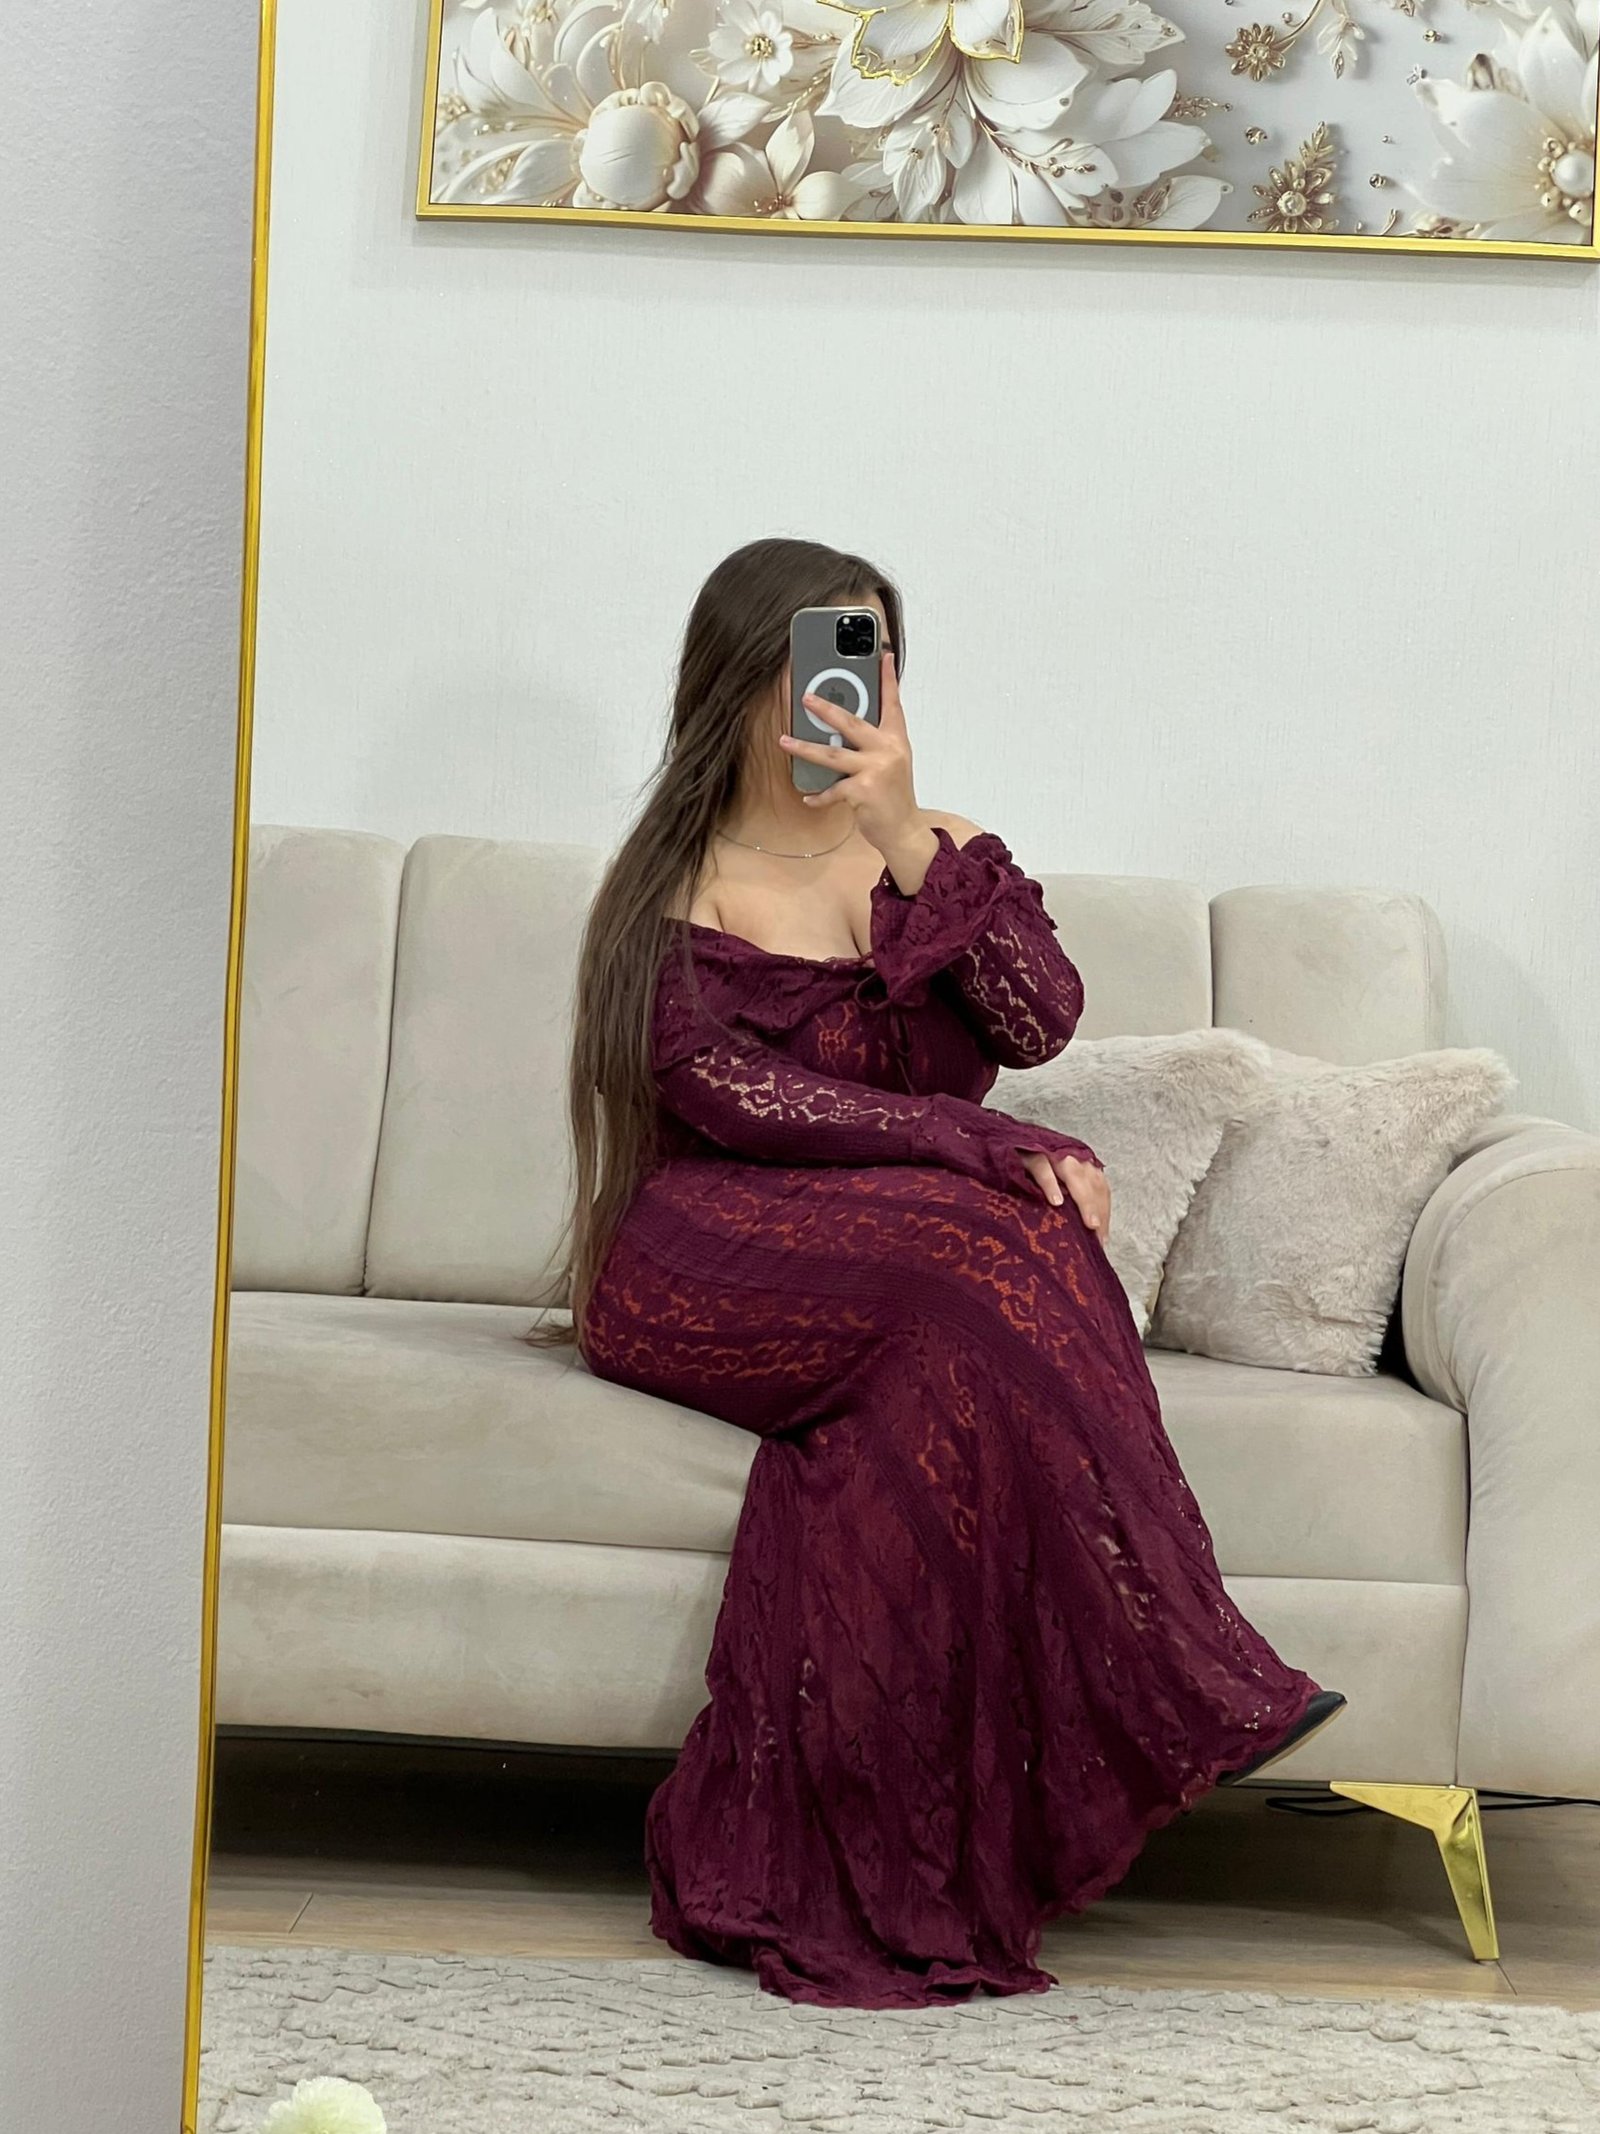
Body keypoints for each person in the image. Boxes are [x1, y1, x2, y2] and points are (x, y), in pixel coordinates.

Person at [527, 536, 1345, 2009]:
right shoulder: (671, 880)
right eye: (825, 659)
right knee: (987, 1233)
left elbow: (1041, 1020)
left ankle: (939, 1835)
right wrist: (963, 1138)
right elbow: (733, 1099)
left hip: (900, 1253)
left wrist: (903, 834)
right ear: (742, 683)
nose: (857, 690)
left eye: (878, 659)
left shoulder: (940, 852)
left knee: (1005, 1257)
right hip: (700, 1252)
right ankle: (1175, 1665)